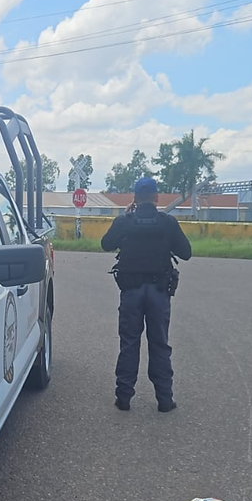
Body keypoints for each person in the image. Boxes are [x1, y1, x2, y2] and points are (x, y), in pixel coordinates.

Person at [101, 177, 192, 413]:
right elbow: (186, 253)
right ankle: (164, 399)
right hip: (159, 292)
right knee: (159, 344)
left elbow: (105, 243)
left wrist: (124, 216)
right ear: (156, 197)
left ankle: (123, 398)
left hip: (131, 291)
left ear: (134, 197)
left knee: (129, 343)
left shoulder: (125, 221)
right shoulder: (167, 223)